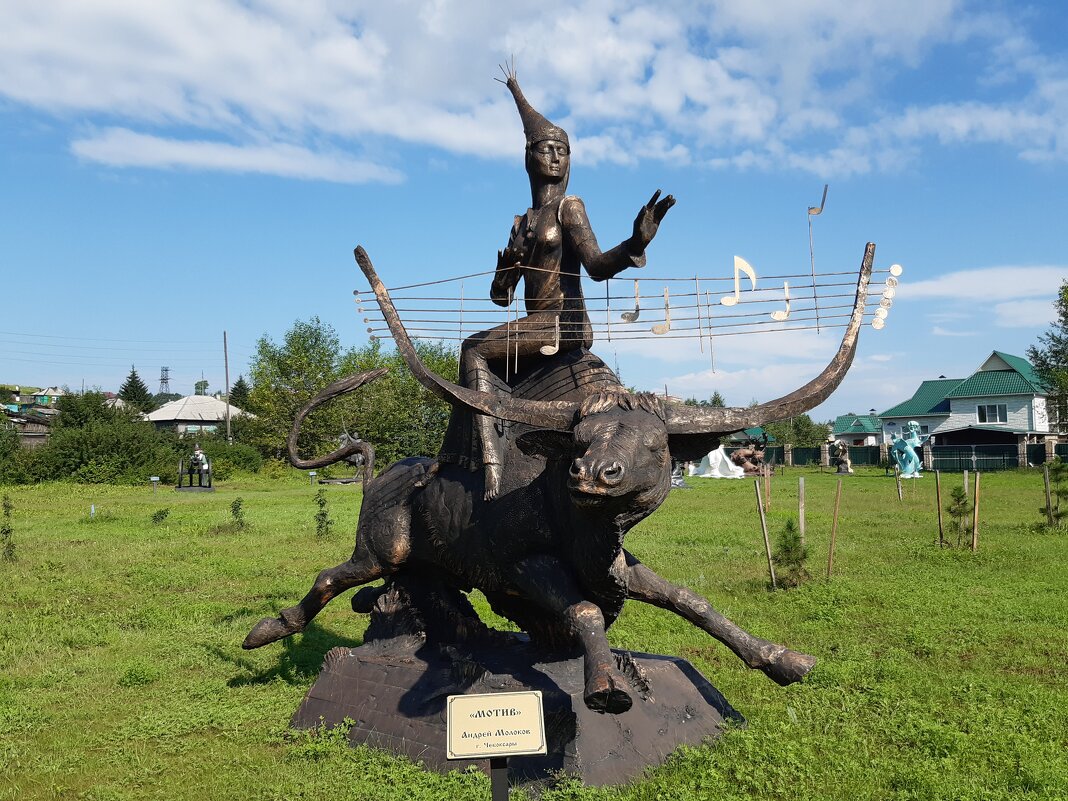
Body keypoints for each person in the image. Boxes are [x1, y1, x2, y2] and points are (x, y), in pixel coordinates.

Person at [455, 68, 675, 499]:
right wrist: (503, 277)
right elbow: (502, 299)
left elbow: (595, 265)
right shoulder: (521, 223)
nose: (555, 158)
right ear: (529, 157)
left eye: (563, 151)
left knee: (472, 348)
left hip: (564, 324)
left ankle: (488, 462)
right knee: (480, 348)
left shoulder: (570, 208)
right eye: (546, 150)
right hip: (535, 326)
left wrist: (634, 241)